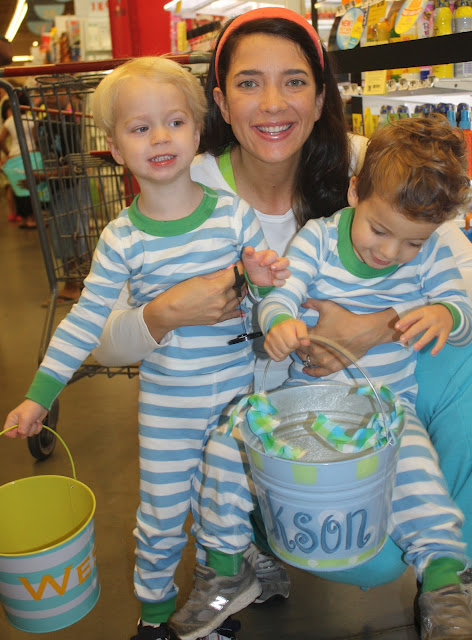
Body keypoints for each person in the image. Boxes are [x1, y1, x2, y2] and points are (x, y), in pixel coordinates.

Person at [92, 5, 472, 636]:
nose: (273, 103)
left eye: (294, 81)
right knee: (369, 556)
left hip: (379, 391)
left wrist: (378, 324)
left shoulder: (373, 165)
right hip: (271, 408)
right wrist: (163, 313)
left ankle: (450, 574)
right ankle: (246, 545)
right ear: (220, 100)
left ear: (321, 97)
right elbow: (103, 341)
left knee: (464, 363)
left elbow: (457, 267)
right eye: (249, 83)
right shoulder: (184, 185)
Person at [2, 56, 290, 640]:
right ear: (114, 147)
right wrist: (39, 395)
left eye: (175, 122)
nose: (160, 137)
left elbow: (269, 297)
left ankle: (219, 604)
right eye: (140, 127)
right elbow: (86, 321)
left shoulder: (234, 216)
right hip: (167, 405)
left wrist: (266, 286)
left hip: (238, 398)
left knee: (224, 507)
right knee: (159, 517)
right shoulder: (122, 239)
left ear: (198, 131)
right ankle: (154, 615)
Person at [172, 114, 472, 640]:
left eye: (411, 244)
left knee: (418, 475)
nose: (389, 253)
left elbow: (460, 308)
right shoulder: (320, 238)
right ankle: (224, 566)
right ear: (355, 193)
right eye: (380, 230)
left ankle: (445, 584)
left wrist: (445, 314)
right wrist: (279, 321)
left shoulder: (432, 253)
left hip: (386, 411)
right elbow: (282, 293)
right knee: (226, 444)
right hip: (303, 403)